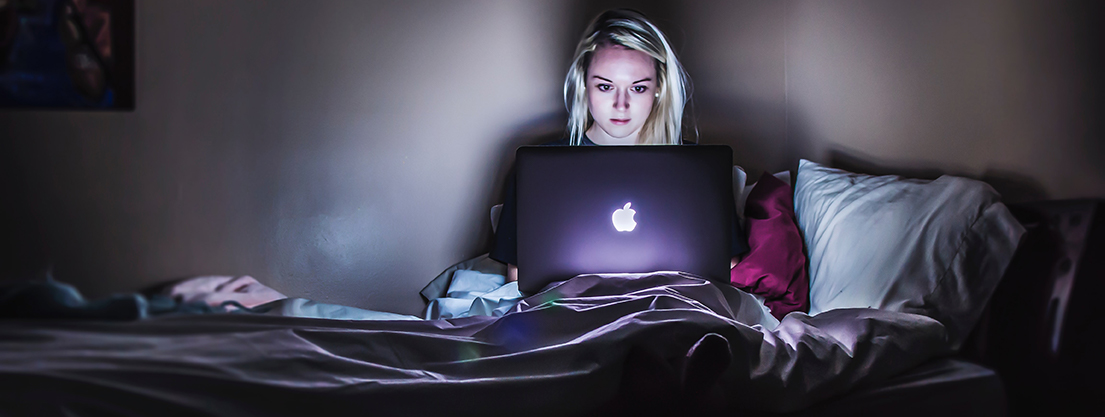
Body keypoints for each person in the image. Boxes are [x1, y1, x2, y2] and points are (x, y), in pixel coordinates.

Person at [490, 9, 750, 284]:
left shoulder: (696, 168)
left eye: (638, 88)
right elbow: (519, 275)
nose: (621, 105)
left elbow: (727, 266)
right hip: (573, 309)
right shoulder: (539, 169)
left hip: (666, 306)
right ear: (584, 84)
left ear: (659, 88)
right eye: (605, 87)